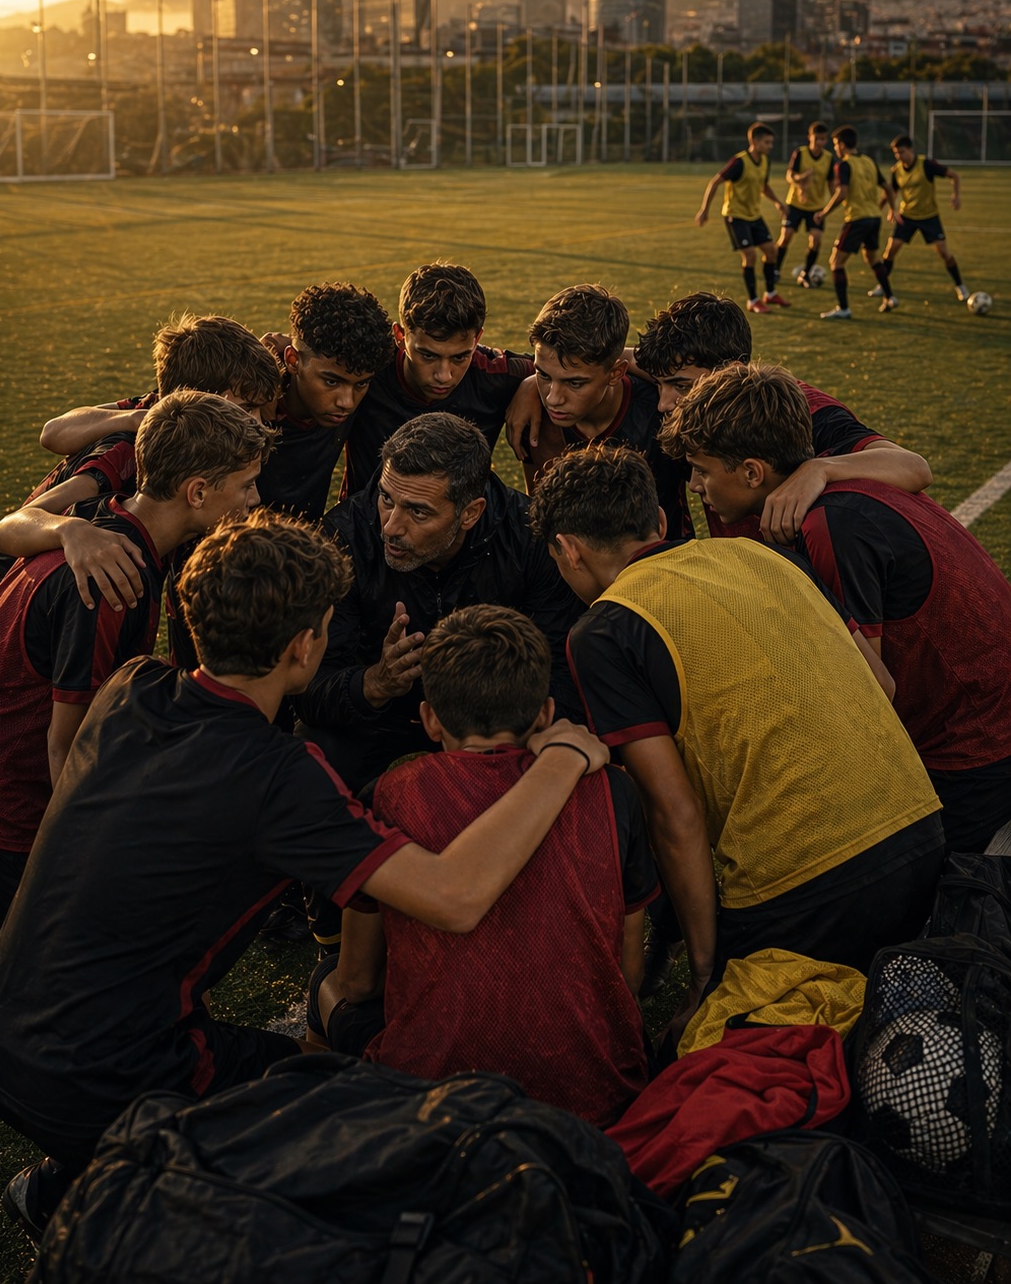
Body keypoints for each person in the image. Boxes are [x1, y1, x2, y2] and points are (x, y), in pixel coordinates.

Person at [0, 509, 605, 1243]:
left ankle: (67, 1181)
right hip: (109, 1076)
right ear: (305, 645)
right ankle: (134, 1201)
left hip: (7, 1033)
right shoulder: (280, 779)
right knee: (351, 1114)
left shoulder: (132, 687)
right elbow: (455, 896)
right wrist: (561, 756)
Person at [531, 444, 944, 1033]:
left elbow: (674, 816)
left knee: (705, 1053)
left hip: (811, 890)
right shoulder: (759, 552)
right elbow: (880, 682)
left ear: (567, 550)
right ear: (661, 523)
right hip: (923, 836)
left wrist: (706, 972)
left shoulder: (604, 628)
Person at [309, 604, 655, 1128]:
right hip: (599, 1094)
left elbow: (358, 983)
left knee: (327, 985)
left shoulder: (388, 797)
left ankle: (330, 1132)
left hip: (434, 1099)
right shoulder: (611, 788)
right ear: (544, 713)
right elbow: (626, 976)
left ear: (428, 718)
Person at [668, 361, 1011, 853]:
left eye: (701, 470)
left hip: (974, 747)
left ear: (751, 472)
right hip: (982, 717)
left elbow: (868, 695)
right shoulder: (841, 483)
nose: (696, 487)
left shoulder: (828, 526)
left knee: (912, 897)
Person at [0, 392, 271, 927]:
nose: (255, 500)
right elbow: (66, 745)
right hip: (10, 820)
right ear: (197, 491)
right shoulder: (114, 576)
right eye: (247, 484)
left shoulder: (105, 520)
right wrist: (87, 864)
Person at [296, 413, 583, 792]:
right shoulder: (343, 537)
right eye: (386, 498)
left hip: (497, 720)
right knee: (311, 759)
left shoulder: (529, 536)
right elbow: (306, 687)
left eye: (418, 511)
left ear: (471, 513)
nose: (390, 527)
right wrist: (375, 683)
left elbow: (565, 670)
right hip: (381, 719)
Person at [0, 312, 281, 602]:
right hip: (7, 594)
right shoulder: (129, 449)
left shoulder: (172, 416)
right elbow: (9, 527)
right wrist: (69, 530)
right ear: (197, 398)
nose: (257, 422)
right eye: (246, 408)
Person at [632, 292, 932, 543]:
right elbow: (615, 359)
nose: (664, 403)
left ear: (732, 371)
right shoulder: (688, 400)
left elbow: (914, 467)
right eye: (659, 384)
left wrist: (819, 469)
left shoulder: (795, 409)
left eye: (680, 385)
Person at [340, 262, 534, 495]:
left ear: (477, 339)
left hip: (462, 527)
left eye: (460, 357)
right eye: (428, 355)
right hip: (368, 526)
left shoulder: (495, 374)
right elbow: (308, 353)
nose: (444, 375)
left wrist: (534, 383)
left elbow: (566, 368)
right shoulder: (369, 367)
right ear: (400, 336)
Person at [514, 283, 692, 538]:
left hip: (666, 567)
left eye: (575, 382)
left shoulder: (663, 410)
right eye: (543, 375)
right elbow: (543, 522)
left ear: (616, 373)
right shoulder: (532, 415)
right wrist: (528, 383)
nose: (553, 398)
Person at [257, 282, 395, 523]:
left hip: (311, 548)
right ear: (292, 360)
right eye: (331, 382)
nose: (347, 402)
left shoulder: (363, 375)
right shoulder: (250, 405)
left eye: (361, 384)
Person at [694, 122, 788, 314]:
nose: (770, 146)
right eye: (767, 142)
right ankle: (753, 300)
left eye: (771, 143)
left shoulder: (765, 162)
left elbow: (764, 186)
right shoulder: (739, 162)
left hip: (754, 215)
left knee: (771, 252)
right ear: (754, 141)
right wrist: (704, 209)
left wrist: (777, 202)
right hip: (735, 215)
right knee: (750, 255)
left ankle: (770, 294)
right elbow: (715, 182)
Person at [814, 126, 896, 319]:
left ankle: (843, 308)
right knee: (873, 258)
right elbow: (887, 187)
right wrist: (892, 209)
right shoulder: (868, 161)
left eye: (835, 144)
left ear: (842, 145)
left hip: (857, 218)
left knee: (836, 262)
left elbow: (841, 193)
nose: (835, 148)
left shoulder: (843, 165)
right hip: (874, 217)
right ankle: (890, 296)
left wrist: (824, 213)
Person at [878, 135, 969, 303]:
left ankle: (960, 285)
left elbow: (954, 175)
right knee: (891, 250)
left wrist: (956, 196)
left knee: (944, 252)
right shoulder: (896, 170)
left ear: (911, 150)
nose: (899, 156)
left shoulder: (926, 164)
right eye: (896, 153)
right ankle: (882, 285)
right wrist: (888, 208)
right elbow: (892, 192)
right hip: (907, 216)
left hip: (929, 216)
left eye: (902, 152)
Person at [775, 121, 834, 287]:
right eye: (817, 138)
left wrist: (835, 199)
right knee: (785, 237)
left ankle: (806, 274)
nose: (820, 142)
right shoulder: (800, 153)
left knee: (816, 240)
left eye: (823, 139)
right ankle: (776, 270)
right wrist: (799, 180)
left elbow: (831, 183)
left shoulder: (828, 158)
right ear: (810, 137)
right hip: (794, 204)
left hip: (816, 207)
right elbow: (789, 175)